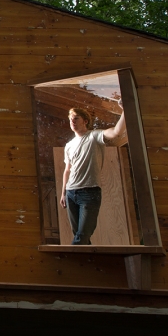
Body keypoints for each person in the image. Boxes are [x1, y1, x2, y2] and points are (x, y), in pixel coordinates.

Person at [59, 102, 127, 245]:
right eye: (70, 119)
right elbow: (67, 170)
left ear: (85, 121)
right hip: (71, 193)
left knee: (82, 236)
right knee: (80, 236)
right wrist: (63, 193)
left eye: (76, 118)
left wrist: (125, 110)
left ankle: (72, 260)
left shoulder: (94, 136)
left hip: (89, 192)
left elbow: (116, 132)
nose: (72, 121)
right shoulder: (69, 145)